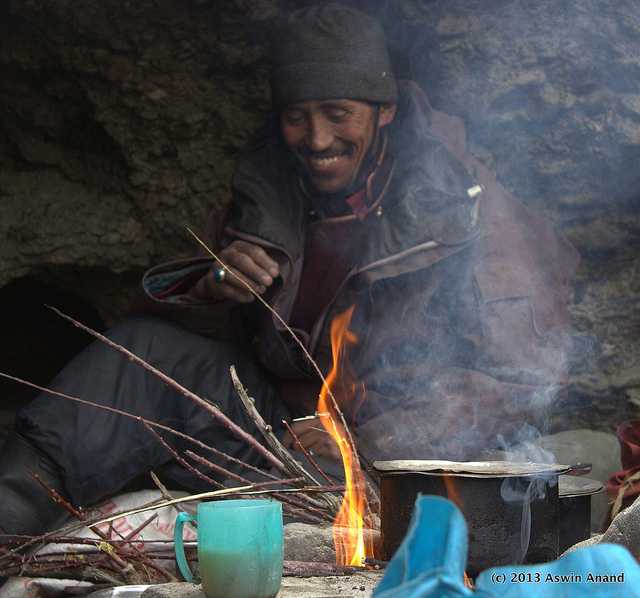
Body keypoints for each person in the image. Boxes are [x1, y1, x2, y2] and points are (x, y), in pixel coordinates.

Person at [0, 3, 579, 539]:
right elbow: (208, 346)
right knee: (140, 351)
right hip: (275, 431)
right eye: (297, 117)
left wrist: (361, 439)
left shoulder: (465, 209)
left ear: (385, 113)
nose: (317, 139)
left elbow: (517, 380)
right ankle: (11, 515)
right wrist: (213, 287)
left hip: (388, 464)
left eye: (338, 114)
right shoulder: (270, 196)